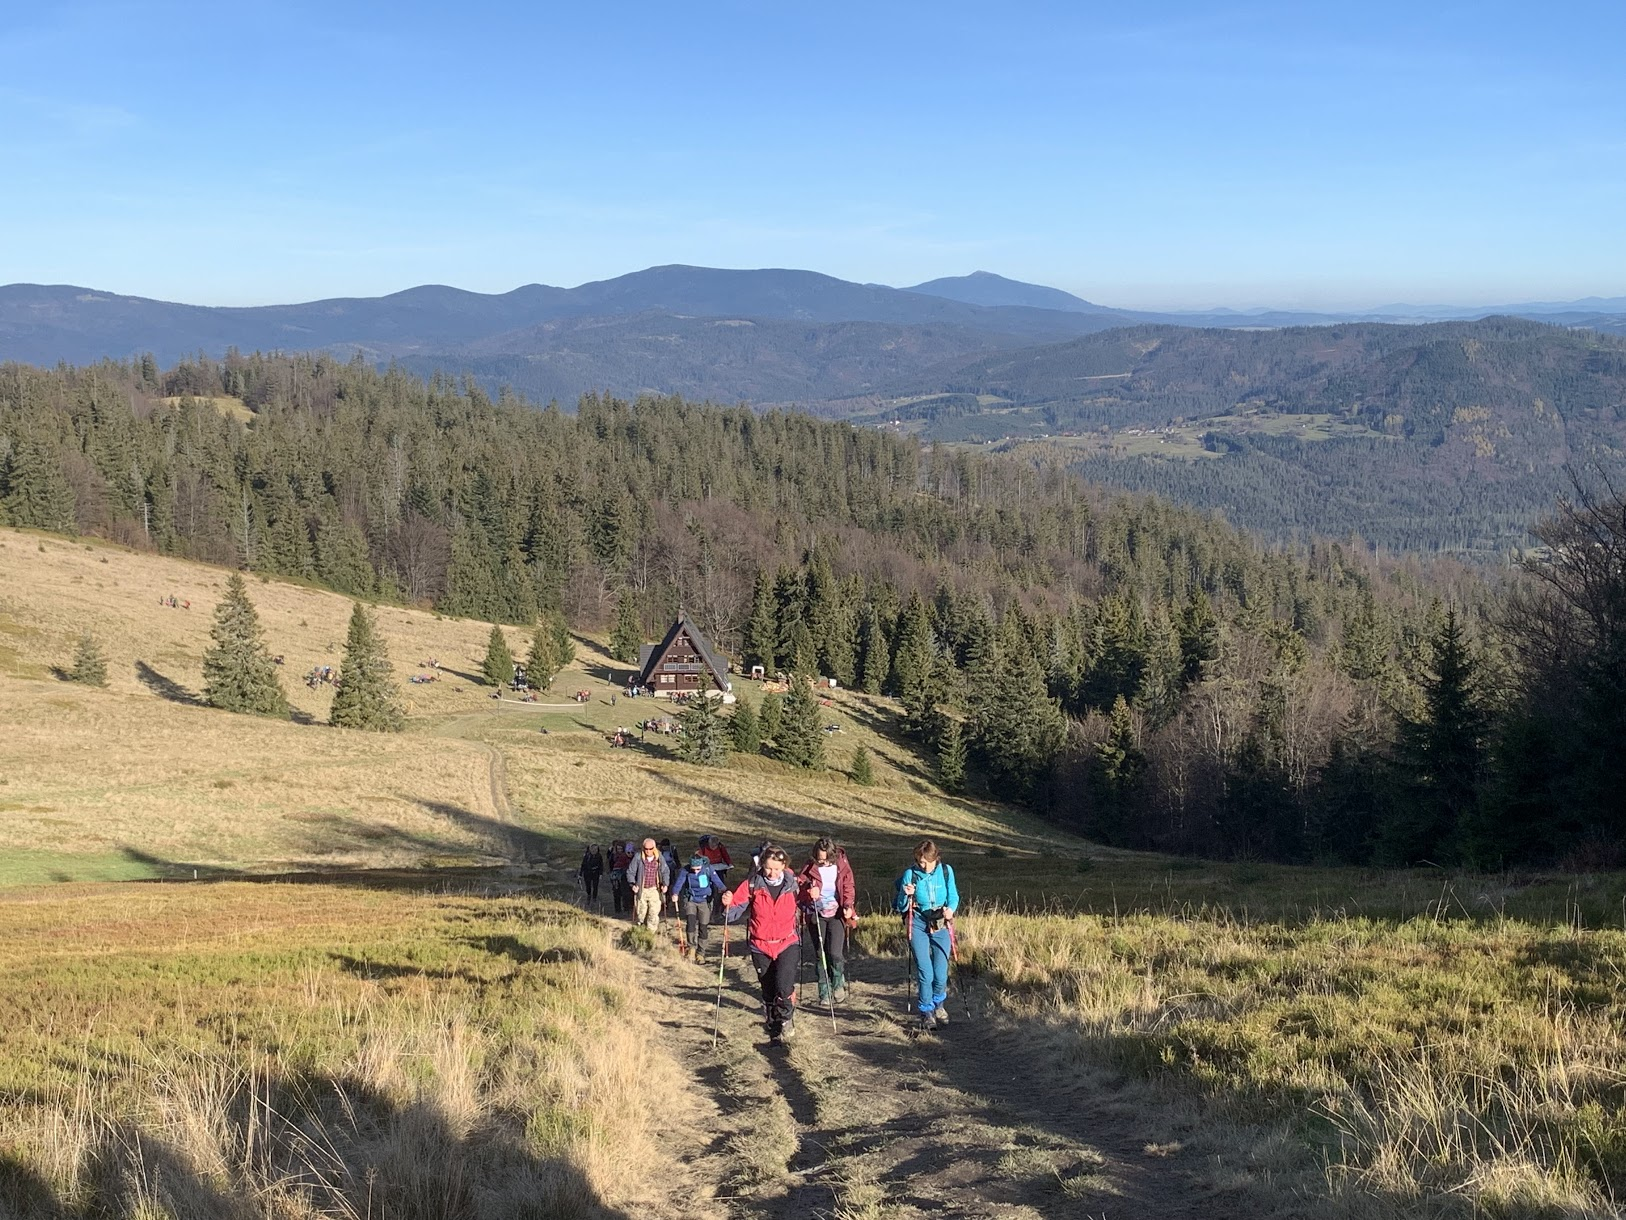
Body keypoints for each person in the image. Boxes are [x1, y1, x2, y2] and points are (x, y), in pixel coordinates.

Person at [721, 844, 801, 1043]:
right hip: (760, 944)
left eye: (776, 868)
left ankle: (786, 1018)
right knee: (768, 988)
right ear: (761, 865)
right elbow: (733, 912)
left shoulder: (794, 883)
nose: (772, 873)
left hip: (787, 941)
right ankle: (773, 1025)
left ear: (784, 865)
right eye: (768, 868)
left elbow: (809, 900)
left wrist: (814, 895)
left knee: (784, 985)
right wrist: (727, 902)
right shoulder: (752, 884)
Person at [894, 839, 959, 1032]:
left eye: (925, 862)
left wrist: (951, 910)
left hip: (940, 923)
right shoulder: (910, 874)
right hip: (919, 923)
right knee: (925, 971)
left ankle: (939, 1004)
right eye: (919, 861)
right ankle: (926, 1012)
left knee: (941, 972)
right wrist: (906, 895)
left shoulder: (946, 871)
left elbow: (953, 896)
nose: (921, 866)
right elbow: (900, 907)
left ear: (935, 858)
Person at [798, 837, 856, 1003]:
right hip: (816, 913)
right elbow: (800, 885)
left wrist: (848, 905)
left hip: (837, 913)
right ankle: (824, 990)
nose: (821, 862)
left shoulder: (842, 864)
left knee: (835, 952)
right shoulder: (810, 867)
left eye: (825, 859)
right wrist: (809, 890)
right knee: (820, 953)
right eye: (819, 859)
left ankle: (838, 983)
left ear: (832, 855)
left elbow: (848, 886)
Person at [671, 854, 725, 963]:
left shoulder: (708, 869)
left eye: (698, 869)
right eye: (693, 869)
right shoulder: (685, 870)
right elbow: (679, 883)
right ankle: (691, 947)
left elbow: (717, 881)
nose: (695, 871)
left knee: (703, 927)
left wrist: (724, 890)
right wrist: (675, 893)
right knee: (691, 923)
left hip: (705, 901)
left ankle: (701, 953)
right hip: (691, 899)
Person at [627, 838, 670, 933]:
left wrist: (665, 884)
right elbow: (630, 872)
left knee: (653, 913)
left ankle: (650, 933)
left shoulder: (659, 857)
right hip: (641, 889)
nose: (648, 851)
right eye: (646, 849)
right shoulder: (638, 857)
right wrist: (633, 884)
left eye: (650, 849)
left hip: (655, 889)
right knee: (641, 913)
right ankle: (640, 930)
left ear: (654, 848)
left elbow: (665, 871)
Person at [608, 841, 632, 915]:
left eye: (621, 849)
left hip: (624, 875)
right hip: (615, 876)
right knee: (616, 892)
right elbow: (610, 863)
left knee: (625, 892)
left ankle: (626, 908)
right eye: (618, 849)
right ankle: (617, 909)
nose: (619, 850)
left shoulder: (627, 855)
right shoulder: (613, 855)